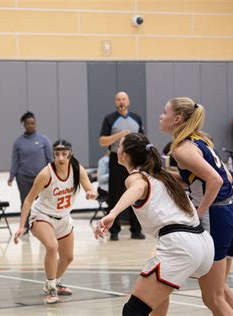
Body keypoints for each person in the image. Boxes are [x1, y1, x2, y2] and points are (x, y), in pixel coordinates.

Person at [95, 133, 214, 316]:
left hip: (180, 245)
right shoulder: (163, 174)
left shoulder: (136, 177)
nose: (116, 149)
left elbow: (138, 189)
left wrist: (113, 213)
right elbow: (199, 183)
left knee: (133, 311)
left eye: (119, 146)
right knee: (158, 303)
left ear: (125, 155)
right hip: (202, 242)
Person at [159, 97, 233, 316]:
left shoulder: (182, 149)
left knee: (212, 296)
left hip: (216, 216)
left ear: (178, 118)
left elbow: (215, 181)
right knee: (219, 290)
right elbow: (222, 176)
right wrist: (161, 173)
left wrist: (198, 215)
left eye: (164, 112)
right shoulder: (199, 140)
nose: (160, 116)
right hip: (230, 212)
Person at [14, 139, 97, 304]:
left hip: (64, 218)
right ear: (53, 154)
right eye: (57, 154)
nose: (60, 158)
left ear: (70, 154)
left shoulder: (76, 169)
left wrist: (90, 193)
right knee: (52, 247)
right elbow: (29, 200)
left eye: (64, 154)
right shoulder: (46, 173)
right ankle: (51, 288)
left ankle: (54, 282)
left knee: (68, 257)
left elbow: (88, 186)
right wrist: (21, 226)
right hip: (42, 217)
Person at [99, 91, 145, 240]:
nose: (121, 102)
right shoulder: (110, 119)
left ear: (128, 101)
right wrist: (119, 136)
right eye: (118, 99)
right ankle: (114, 231)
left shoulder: (136, 118)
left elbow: (143, 139)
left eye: (124, 99)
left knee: (136, 192)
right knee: (115, 194)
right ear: (115, 102)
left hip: (134, 160)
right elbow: (102, 141)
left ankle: (136, 230)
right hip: (116, 159)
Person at [8, 111, 53, 235]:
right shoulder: (18, 142)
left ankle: (43, 225)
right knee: (25, 201)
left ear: (35, 124)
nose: (30, 125)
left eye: (33, 123)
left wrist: (54, 174)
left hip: (41, 178)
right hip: (23, 177)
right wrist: (11, 176)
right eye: (28, 123)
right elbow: (15, 161)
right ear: (24, 125)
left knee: (43, 202)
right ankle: (25, 226)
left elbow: (50, 158)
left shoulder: (43, 140)